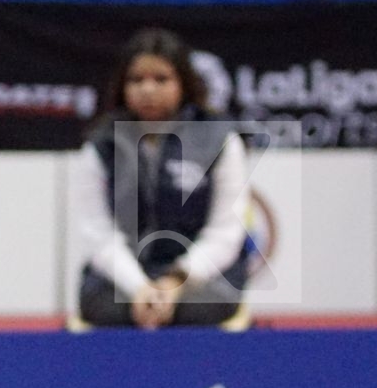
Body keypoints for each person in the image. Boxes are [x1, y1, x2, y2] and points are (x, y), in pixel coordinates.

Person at [72, 28, 251, 329]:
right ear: (122, 86)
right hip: (125, 280)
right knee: (99, 306)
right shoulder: (101, 143)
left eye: (161, 79)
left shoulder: (220, 139)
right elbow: (97, 232)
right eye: (136, 80)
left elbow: (226, 232)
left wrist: (175, 281)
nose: (148, 90)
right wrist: (140, 288)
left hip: (197, 281)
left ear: (183, 83)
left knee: (200, 308)